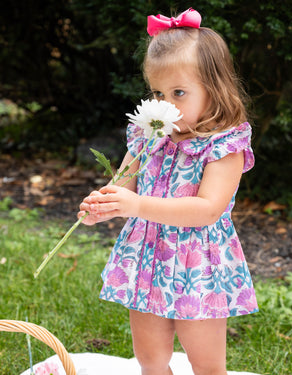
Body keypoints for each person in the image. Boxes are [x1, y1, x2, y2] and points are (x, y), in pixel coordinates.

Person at [78, 8, 258, 375]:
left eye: (179, 92)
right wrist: (105, 204)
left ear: (215, 89)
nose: (166, 104)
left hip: (198, 266)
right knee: (150, 358)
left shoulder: (225, 146)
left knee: (206, 364)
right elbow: (123, 186)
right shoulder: (149, 134)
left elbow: (207, 209)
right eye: (158, 93)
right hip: (146, 259)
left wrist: (136, 204)